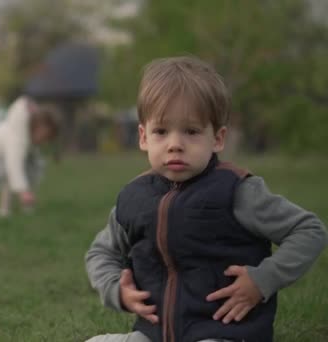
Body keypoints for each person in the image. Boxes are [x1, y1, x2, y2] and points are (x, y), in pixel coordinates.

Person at [84, 56, 327, 342]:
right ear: (143, 137)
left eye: (191, 131)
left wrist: (262, 280)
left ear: (218, 139)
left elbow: (309, 231)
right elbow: (101, 253)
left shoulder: (237, 190)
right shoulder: (134, 197)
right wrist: (116, 289)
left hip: (225, 332)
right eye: (161, 131)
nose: (175, 144)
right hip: (154, 334)